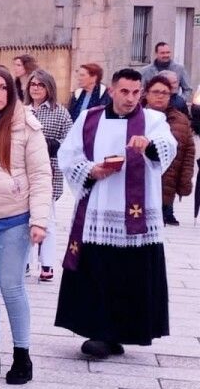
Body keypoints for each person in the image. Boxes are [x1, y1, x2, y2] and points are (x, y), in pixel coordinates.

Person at [55, 69, 177, 360]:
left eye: (136, 92)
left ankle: (121, 333)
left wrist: (149, 145)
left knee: (129, 275)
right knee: (98, 271)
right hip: (98, 208)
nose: (131, 98)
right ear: (111, 91)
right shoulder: (89, 119)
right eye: (124, 92)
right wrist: (91, 170)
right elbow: (68, 156)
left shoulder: (153, 120)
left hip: (137, 217)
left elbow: (170, 146)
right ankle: (99, 333)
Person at [0, 67, 52, 386]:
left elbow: (40, 175)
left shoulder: (26, 126)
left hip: (15, 218)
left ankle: (22, 355)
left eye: (2, 88)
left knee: (12, 285)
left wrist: (39, 220)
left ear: (11, 92)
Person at [26, 69, 73, 280]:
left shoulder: (60, 112)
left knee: (48, 218)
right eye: (33, 84)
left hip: (49, 170)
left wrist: (55, 145)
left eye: (40, 85)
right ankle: (26, 262)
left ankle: (47, 264)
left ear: (49, 87)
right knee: (23, 218)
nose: (36, 88)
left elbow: (72, 140)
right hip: (24, 170)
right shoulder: (22, 111)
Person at [144, 74, 194, 227]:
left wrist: (185, 181)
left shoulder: (180, 120)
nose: (160, 96)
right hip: (139, 182)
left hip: (168, 180)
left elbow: (188, 151)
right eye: (156, 92)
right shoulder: (136, 116)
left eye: (165, 93)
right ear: (146, 94)